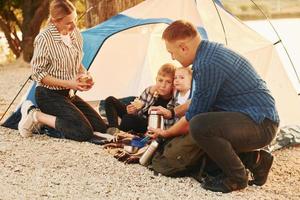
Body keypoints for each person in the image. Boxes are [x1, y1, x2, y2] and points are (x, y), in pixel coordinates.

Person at [148, 20, 279, 193]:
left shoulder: (207, 64)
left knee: (200, 126)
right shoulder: (209, 52)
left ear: (183, 47)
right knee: (205, 124)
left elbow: (193, 118)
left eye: (172, 52)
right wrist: (172, 112)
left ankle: (237, 178)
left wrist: (166, 133)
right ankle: (256, 160)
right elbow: (199, 100)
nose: (172, 58)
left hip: (260, 124)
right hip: (254, 120)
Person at [18, 0, 108, 141]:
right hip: (48, 95)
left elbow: (77, 64)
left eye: (74, 20)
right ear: (55, 21)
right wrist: (69, 83)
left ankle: (54, 120)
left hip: (68, 94)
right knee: (83, 132)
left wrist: (86, 75)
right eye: (68, 22)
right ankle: (35, 115)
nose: (73, 25)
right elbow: (38, 74)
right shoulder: (44, 38)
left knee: (101, 127)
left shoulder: (75, 34)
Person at [104, 63, 176, 134]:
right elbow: (138, 107)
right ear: (156, 79)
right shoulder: (150, 90)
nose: (163, 85)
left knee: (128, 119)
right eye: (160, 80)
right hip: (138, 117)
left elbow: (167, 125)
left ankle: (118, 132)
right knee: (110, 100)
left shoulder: (174, 100)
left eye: (168, 82)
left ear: (173, 84)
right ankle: (114, 128)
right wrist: (134, 110)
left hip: (148, 125)